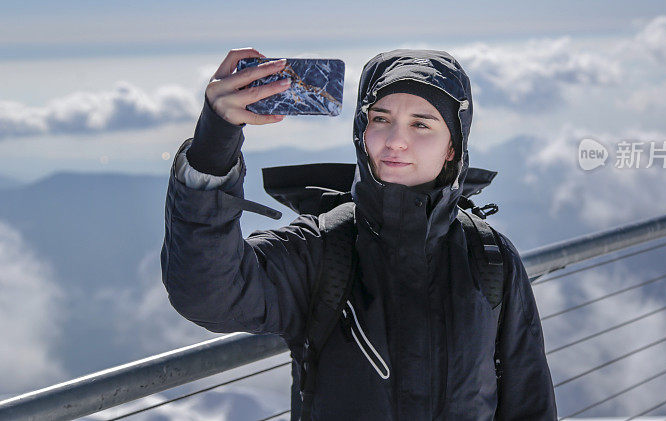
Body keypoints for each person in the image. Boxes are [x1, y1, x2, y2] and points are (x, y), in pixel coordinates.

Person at [161, 48, 557, 420]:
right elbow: (208, 294)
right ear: (361, 131)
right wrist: (214, 145)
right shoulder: (322, 249)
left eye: (421, 124)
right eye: (380, 119)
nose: (394, 140)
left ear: (453, 146)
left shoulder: (490, 257)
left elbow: (529, 399)